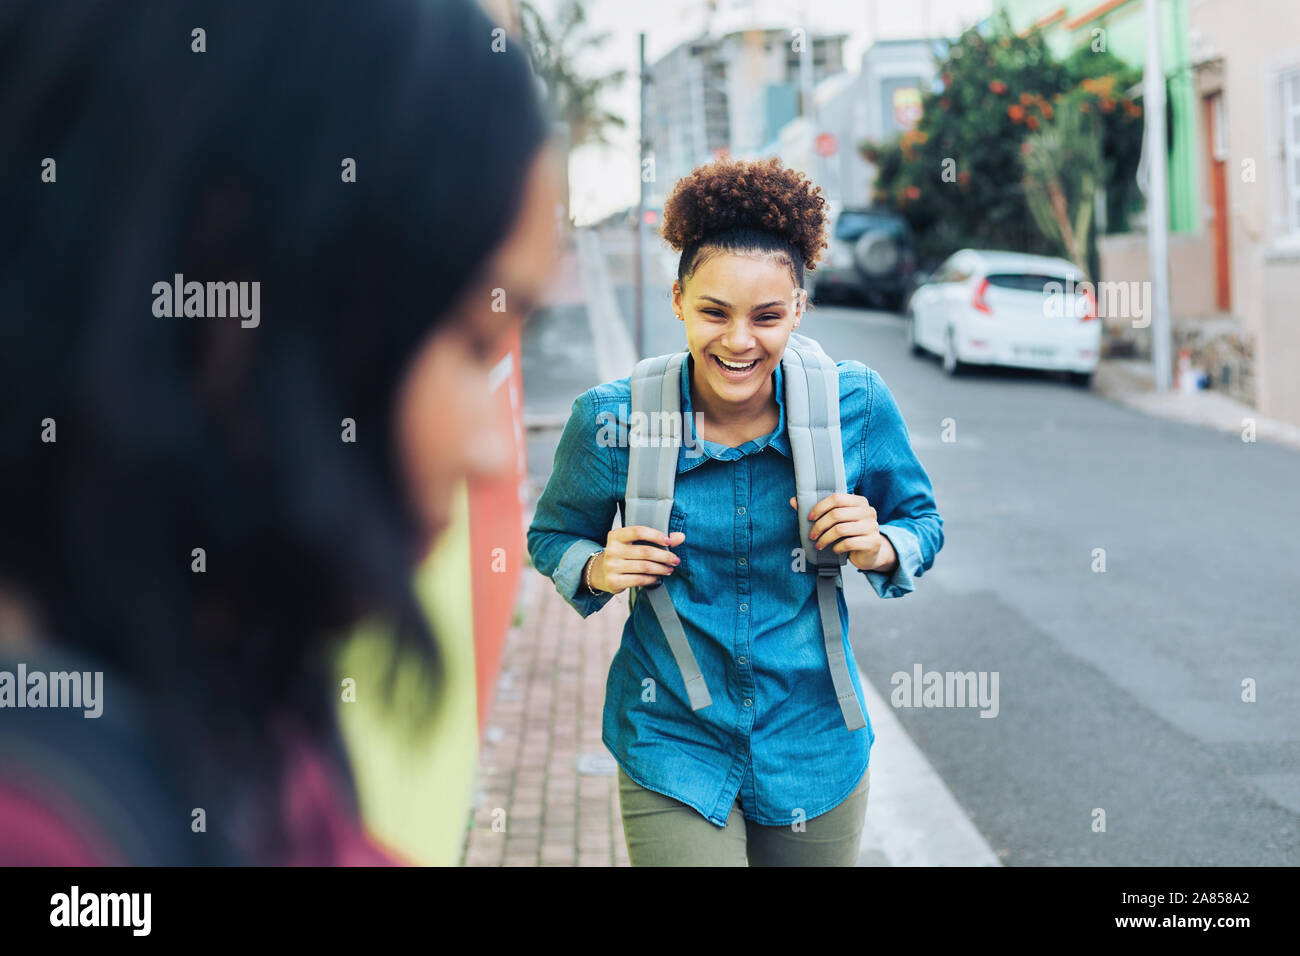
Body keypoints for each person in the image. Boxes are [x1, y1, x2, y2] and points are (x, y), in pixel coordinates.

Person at [0, 0, 560, 864]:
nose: (491, 448)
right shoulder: (50, 829)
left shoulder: (229, 686)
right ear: (235, 292)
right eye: (471, 341)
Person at [527, 156, 944, 866]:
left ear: (799, 311)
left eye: (768, 316)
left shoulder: (857, 403)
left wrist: (882, 547)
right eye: (714, 311)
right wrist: (598, 567)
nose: (740, 341)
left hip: (815, 741)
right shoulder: (611, 418)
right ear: (678, 300)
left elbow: (921, 523)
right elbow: (550, 534)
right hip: (671, 739)